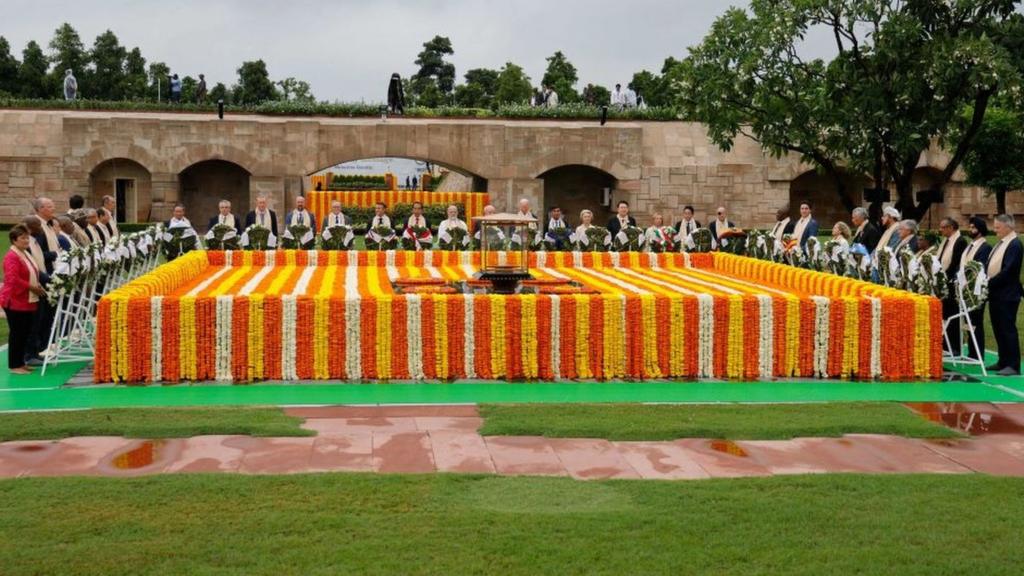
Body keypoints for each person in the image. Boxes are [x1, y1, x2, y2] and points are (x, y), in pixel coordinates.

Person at [1, 225, 46, 374]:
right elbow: (12, 279)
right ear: (14, 240)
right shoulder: (12, 257)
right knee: (17, 333)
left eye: (27, 237)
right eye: (22, 238)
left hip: (26, 299)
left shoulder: (24, 253)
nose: (26, 240)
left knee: (25, 332)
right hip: (14, 300)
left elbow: (32, 272)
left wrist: (36, 283)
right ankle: (14, 365)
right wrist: (32, 288)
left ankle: (21, 362)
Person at [986, 214, 1023, 376]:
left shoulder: (1014, 244)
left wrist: (989, 282)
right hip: (996, 293)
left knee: (1007, 328)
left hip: (1007, 293)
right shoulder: (1001, 243)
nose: (995, 231)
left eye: (998, 227)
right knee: (998, 327)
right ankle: (1003, 360)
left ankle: (1013, 365)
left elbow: (1008, 270)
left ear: (1008, 227)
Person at [934, 217, 969, 356]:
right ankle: (946, 344)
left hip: (951, 283)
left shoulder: (960, 241)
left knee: (953, 315)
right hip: (943, 282)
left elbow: (955, 263)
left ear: (951, 228)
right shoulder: (946, 241)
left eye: (943, 227)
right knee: (945, 315)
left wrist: (945, 278)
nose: (941, 230)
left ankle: (955, 346)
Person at [961, 217, 993, 362]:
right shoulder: (970, 245)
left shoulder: (985, 247)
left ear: (980, 230)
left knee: (976, 321)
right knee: (968, 322)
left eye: (973, 227)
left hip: (975, 290)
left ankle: (977, 352)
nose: (970, 230)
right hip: (964, 288)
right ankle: (971, 351)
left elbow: (978, 267)